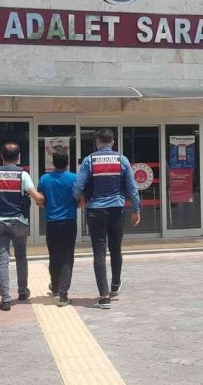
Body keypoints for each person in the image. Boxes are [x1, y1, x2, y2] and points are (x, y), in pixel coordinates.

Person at [73, 129, 141, 309]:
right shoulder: (122, 160)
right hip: (116, 210)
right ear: (112, 142)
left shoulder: (89, 160)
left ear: (97, 141)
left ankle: (104, 297)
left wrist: (79, 200)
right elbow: (132, 188)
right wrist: (136, 209)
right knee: (116, 249)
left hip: (95, 210)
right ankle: (115, 285)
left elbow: (77, 186)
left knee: (99, 252)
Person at [0, 142, 44, 312]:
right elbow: (35, 196)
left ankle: (5, 298)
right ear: (19, 157)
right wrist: (43, 200)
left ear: (1, 156)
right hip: (19, 222)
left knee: (2, 259)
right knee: (21, 256)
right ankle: (22, 291)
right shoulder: (23, 175)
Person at [37, 151, 82, 307]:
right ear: (67, 163)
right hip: (69, 221)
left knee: (53, 255)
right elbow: (82, 200)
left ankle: (55, 287)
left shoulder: (44, 179)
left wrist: (48, 207)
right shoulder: (74, 178)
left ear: (53, 163)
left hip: (51, 222)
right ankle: (63, 294)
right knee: (67, 257)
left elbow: (40, 201)